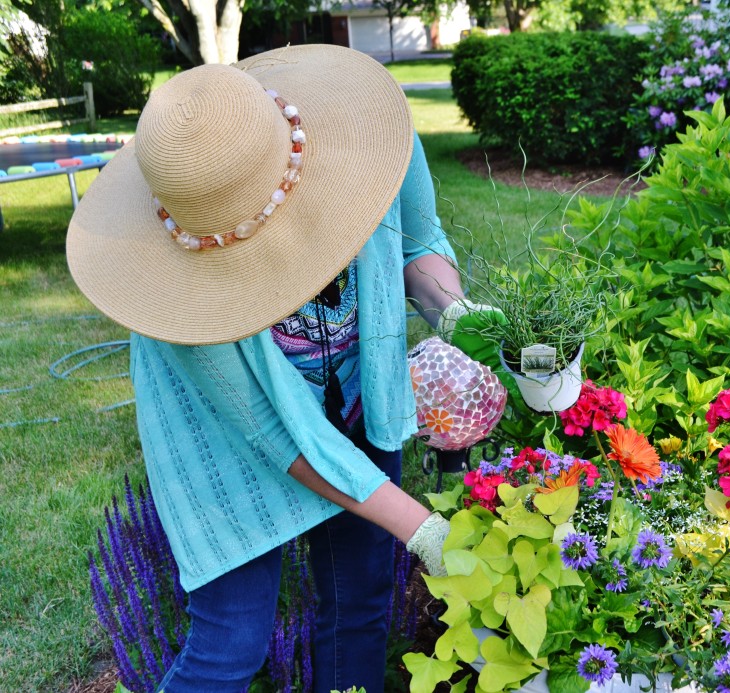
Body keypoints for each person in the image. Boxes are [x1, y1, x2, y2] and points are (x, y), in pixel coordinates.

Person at [65, 45, 491, 692]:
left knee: (362, 606)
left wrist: (463, 317)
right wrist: (425, 529)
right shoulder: (171, 299)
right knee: (229, 642)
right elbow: (277, 432)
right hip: (226, 436)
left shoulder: (372, 137)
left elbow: (417, 240)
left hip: (352, 399)